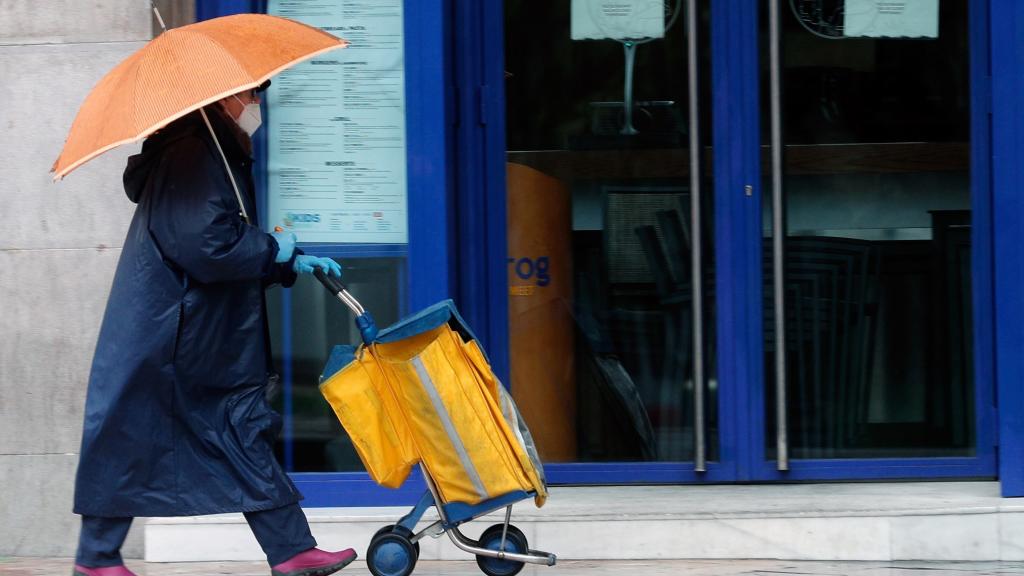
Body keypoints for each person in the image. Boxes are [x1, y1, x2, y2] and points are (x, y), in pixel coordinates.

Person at [71, 83, 356, 576]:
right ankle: (97, 558)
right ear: (222, 98)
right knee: (144, 433)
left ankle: (290, 550)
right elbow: (205, 244)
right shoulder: (192, 152)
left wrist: (286, 261)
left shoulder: (211, 148)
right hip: (179, 335)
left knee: (234, 430)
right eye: (250, 95)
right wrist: (274, 250)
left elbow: (218, 236)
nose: (257, 106)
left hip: (193, 331)